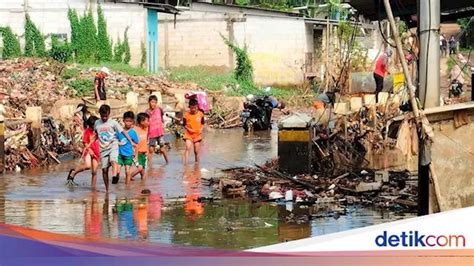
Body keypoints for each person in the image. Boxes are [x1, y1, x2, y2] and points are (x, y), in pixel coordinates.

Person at [94, 104, 135, 191]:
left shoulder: (113, 123)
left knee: (113, 160)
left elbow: (123, 132)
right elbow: (96, 135)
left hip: (113, 144)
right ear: (100, 114)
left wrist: (131, 141)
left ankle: (114, 176)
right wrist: (89, 143)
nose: (104, 118)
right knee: (104, 170)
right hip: (103, 148)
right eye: (102, 116)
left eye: (106, 116)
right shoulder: (97, 123)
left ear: (109, 114)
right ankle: (107, 190)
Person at [66, 116, 100, 188]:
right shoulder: (87, 131)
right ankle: (74, 172)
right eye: (91, 127)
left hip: (97, 152)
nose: (93, 128)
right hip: (88, 150)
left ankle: (93, 188)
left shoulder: (99, 131)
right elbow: (85, 142)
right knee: (88, 166)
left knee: (94, 172)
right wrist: (90, 150)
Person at [117, 111, 139, 185]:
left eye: (130, 121)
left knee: (127, 171)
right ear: (123, 120)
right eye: (127, 121)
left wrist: (136, 155)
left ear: (133, 122)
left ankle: (127, 186)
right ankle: (115, 186)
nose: (128, 123)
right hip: (119, 154)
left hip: (129, 155)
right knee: (117, 171)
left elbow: (136, 144)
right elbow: (115, 140)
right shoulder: (119, 131)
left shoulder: (133, 132)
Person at [146, 95, 169, 165]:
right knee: (151, 149)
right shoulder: (147, 112)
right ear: (149, 102)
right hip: (152, 133)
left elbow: (162, 117)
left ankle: (167, 162)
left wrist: (162, 125)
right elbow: (145, 122)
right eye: (152, 102)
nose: (153, 104)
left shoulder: (159, 109)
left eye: (155, 102)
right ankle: (150, 165)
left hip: (159, 132)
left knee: (162, 149)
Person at [183, 98, 205, 165]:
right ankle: (185, 164)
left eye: (195, 108)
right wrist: (189, 129)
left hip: (197, 135)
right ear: (189, 107)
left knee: (196, 151)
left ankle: (197, 164)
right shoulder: (186, 115)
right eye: (192, 108)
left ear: (197, 107)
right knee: (188, 147)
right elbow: (184, 125)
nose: (193, 109)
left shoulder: (200, 114)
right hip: (188, 134)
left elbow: (203, 123)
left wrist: (201, 129)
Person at [132, 112, 150, 180]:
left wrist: (147, 152)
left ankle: (142, 187)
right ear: (142, 122)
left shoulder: (146, 129)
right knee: (140, 168)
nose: (148, 122)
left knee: (143, 174)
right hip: (136, 153)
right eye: (147, 121)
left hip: (144, 153)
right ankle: (129, 177)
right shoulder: (134, 129)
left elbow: (146, 142)